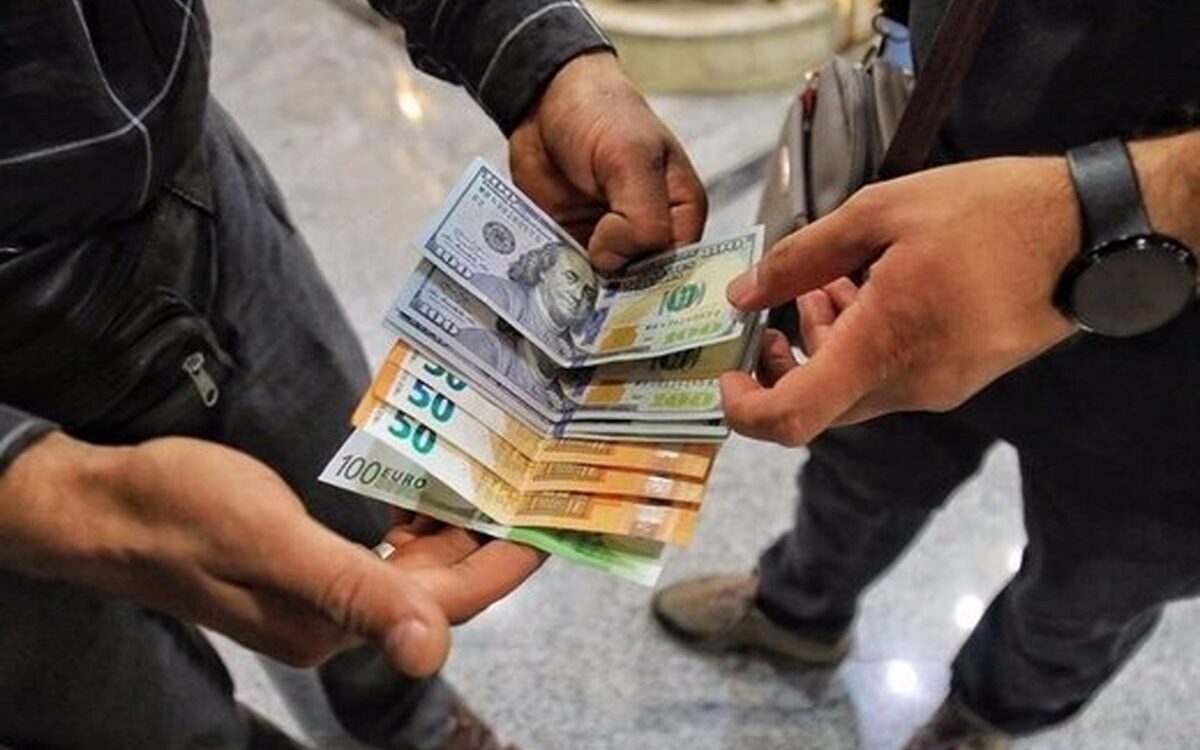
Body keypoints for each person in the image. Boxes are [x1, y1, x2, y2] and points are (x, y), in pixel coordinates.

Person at [0, 2, 705, 749]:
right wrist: (34, 488)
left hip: (183, 170)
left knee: (368, 523)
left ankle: (419, 726)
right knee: (142, 719)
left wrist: (538, 54)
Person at [653, 1, 1199, 749]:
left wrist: (1121, 204)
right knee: (858, 474)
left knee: (1095, 587)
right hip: (947, 181)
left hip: (1180, 360)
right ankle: (795, 613)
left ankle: (988, 719)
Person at [474, 242, 601, 361]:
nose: (578, 296)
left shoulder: (573, 357)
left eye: (588, 293)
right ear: (544, 271)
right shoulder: (495, 290)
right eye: (570, 278)